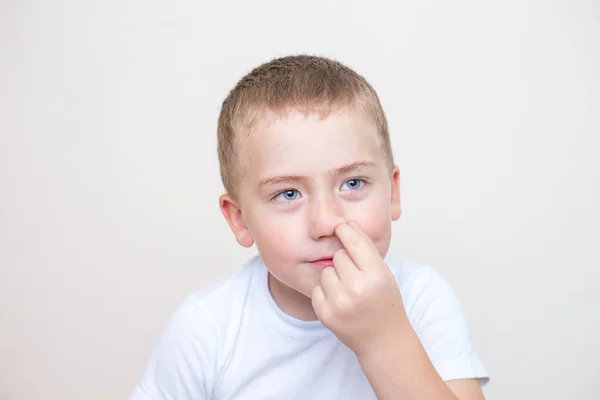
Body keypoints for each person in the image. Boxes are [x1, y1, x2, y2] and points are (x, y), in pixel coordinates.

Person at [130, 55, 489, 400]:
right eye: (288, 193)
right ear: (240, 220)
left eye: (352, 183)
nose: (326, 223)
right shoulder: (206, 328)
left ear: (392, 192)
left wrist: (384, 339)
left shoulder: (423, 299)